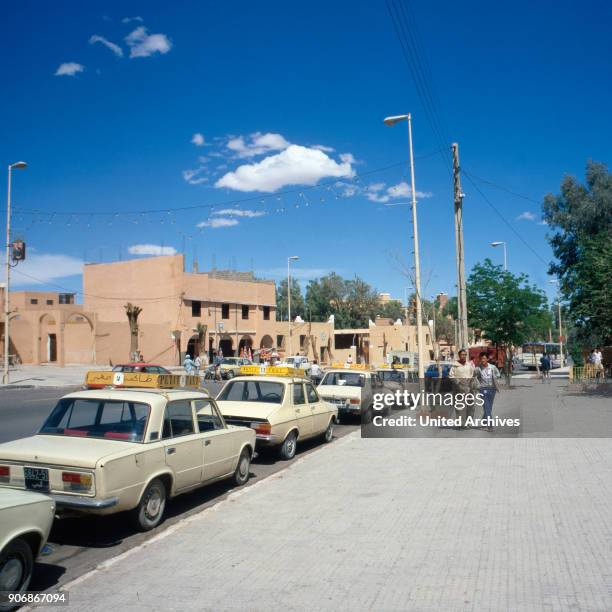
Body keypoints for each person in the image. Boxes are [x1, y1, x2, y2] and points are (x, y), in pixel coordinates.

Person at [449, 349, 476, 428]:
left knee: (471, 406)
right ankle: (461, 424)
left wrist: (470, 381)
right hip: (459, 389)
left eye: (465, 354)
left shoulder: (469, 365)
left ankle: (468, 423)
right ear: (459, 355)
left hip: (469, 388)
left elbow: (473, 375)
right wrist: (458, 382)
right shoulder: (455, 366)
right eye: (462, 355)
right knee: (460, 407)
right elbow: (451, 376)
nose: (463, 356)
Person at [475, 352, 501, 432]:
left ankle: (484, 420)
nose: (482, 360)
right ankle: (490, 425)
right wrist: (478, 385)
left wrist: (495, 379)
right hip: (483, 389)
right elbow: (474, 377)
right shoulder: (478, 368)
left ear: (487, 359)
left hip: (492, 389)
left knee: (489, 407)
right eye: (481, 358)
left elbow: (498, 374)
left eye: (484, 358)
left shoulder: (492, 367)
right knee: (486, 407)